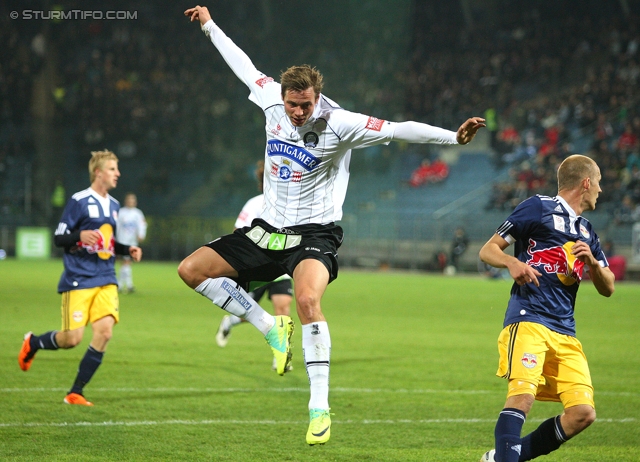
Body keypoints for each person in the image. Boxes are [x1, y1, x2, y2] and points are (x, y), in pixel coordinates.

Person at [180, 5, 485, 446]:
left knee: (306, 300)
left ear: (317, 98)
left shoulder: (340, 123)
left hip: (314, 235)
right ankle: (269, 327)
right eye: (292, 104)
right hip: (268, 228)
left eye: (305, 105)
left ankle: (319, 407)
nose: (298, 112)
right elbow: (241, 63)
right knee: (190, 270)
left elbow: (400, 129)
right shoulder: (270, 98)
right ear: (282, 97)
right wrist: (209, 25)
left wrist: (451, 137)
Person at [478, 154, 615, 462]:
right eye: (599, 183)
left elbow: (609, 286)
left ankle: (499, 458)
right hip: (529, 321)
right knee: (522, 398)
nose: (600, 191)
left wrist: (592, 263)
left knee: (582, 414)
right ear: (585, 183)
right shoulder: (537, 207)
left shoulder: (586, 231)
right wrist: (512, 262)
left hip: (566, 331)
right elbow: (488, 250)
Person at [18, 150, 143, 406]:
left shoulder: (115, 205)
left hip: (106, 277)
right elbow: (59, 238)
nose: (117, 174)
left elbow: (106, 242)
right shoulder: (79, 200)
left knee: (105, 333)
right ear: (98, 172)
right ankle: (33, 342)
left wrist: (125, 250)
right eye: (112, 169)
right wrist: (79, 236)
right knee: (71, 339)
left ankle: (76, 392)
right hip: (79, 278)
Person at [216, 161, 294, 374]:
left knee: (283, 308)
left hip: (280, 268)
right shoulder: (254, 204)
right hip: (257, 267)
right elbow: (237, 231)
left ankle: (279, 357)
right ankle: (229, 322)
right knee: (246, 312)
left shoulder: (289, 204)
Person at [116, 192, 147, 293]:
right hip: (123, 241)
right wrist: (116, 239)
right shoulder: (121, 212)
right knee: (126, 262)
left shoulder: (138, 213)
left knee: (126, 263)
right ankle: (127, 285)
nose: (131, 202)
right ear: (126, 201)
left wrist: (141, 234)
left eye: (132, 200)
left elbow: (142, 225)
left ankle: (122, 285)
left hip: (132, 241)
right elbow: (117, 226)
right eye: (129, 200)